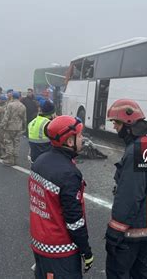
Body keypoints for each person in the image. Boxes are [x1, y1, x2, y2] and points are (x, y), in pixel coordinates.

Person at [105, 99, 147, 279]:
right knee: (140, 272)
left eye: (116, 123)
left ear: (128, 123)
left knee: (118, 272)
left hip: (133, 229)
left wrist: (115, 231)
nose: (115, 127)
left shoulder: (135, 151)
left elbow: (129, 196)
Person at [29, 115, 93, 278]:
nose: (82, 138)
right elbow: (74, 221)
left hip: (40, 242)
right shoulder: (68, 174)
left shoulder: (39, 161)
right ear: (69, 142)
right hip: (60, 250)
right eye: (79, 135)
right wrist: (86, 251)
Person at [0, 91, 26, 166]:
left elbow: (6, 117)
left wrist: (1, 126)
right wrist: (24, 127)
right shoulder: (23, 106)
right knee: (16, 143)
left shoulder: (10, 105)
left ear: (12, 97)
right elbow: (24, 119)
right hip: (19, 127)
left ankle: (10, 160)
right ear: (19, 97)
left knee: (8, 142)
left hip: (10, 127)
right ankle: (15, 159)